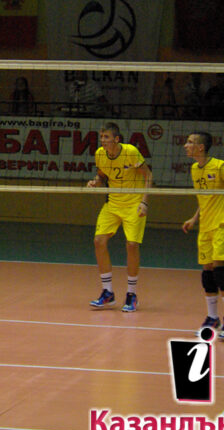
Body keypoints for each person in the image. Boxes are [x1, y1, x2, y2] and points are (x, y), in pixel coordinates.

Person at [182, 132, 224, 340]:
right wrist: (194, 218)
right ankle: (212, 317)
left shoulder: (220, 166)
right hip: (205, 226)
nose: (185, 145)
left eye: (190, 142)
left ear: (200, 147)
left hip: (222, 224)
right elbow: (204, 198)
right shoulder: (194, 169)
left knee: (219, 268)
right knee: (207, 271)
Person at [87, 122, 153, 312]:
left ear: (116, 139)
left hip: (134, 204)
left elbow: (148, 175)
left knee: (131, 245)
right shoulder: (100, 154)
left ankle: (131, 294)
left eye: (106, 137)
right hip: (113, 204)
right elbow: (102, 175)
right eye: (101, 137)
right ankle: (107, 293)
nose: (103, 140)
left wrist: (145, 201)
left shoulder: (130, 151)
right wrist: (96, 182)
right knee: (99, 241)